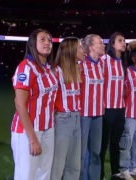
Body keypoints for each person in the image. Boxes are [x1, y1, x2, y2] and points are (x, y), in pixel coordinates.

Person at [11, 29, 58, 180]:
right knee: (26, 175)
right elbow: (19, 104)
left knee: (44, 173)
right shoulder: (25, 68)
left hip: (48, 129)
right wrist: (32, 138)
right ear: (33, 44)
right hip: (29, 131)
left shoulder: (49, 68)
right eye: (42, 39)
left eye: (49, 40)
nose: (47, 43)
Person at [51, 37, 85, 180]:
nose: (83, 50)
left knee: (74, 165)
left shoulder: (78, 68)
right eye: (80, 47)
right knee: (57, 165)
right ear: (71, 51)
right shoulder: (56, 71)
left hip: (76, 118)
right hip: (62, 120)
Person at [100, 32, 127, 179]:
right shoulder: (104, 60)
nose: (123, 43)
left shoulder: (121, 62)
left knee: (116, 143)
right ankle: (100, 174)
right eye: (120, 40)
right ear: (112, 44)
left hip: (119, 109)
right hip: (106, 109)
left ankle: (115, 172)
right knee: (103, 146)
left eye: (124, 40)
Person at [79, 34, 105, 180]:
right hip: (83, 115)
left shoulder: (102, 63)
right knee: (81, 153)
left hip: (98, 115)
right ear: (90, 47)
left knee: (96, 152)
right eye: (100, 43)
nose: (103, 45)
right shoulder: (80, 63)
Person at [118, 48, 136, 180]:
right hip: (129, 114)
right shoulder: (127, 72)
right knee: (127, 144)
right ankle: (124, 169)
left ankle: (134, 166)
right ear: (134, 58)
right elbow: (122, 92)